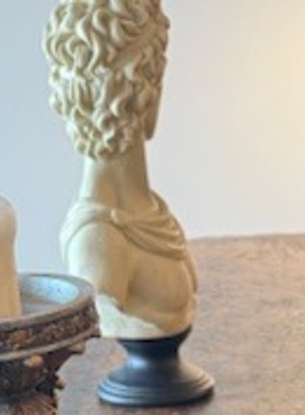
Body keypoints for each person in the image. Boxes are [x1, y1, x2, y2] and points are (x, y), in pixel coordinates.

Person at [44, 0, 198, 341]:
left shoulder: (146, 210)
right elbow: (100, 309)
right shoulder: (100, 238)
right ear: (147, 94)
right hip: (152, 388)